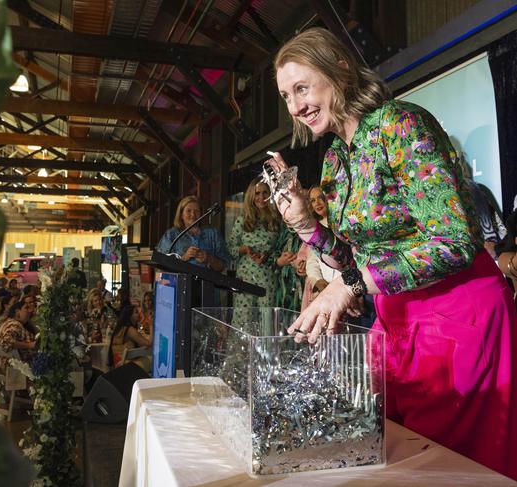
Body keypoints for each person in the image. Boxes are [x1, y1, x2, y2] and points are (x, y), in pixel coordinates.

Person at [269, 27, 517, 479]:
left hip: (460, 320)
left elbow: (455, 240)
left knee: (447, 470)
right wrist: (308, 226)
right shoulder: (335, 159)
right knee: (403, 462)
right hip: (399, 327)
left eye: (302, 87)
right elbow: (356, 260)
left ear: (339, 68)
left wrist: (350, 284)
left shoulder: (400, 124)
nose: (296, 106)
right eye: (287, 95)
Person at [227, 179, 281, 309]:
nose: (261, 197)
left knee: (267, 319)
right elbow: (229, 249)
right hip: (245, 278)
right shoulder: (242, 220)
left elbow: (282, 248)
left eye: (265, 193)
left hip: (268, 277)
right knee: (244, 319)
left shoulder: (277, 220)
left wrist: (268, 255)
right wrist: (244, 249)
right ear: (251, 195)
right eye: (257, 193)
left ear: (270, 194)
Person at [157, 195, 230, 272]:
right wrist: (184, 258)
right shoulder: (171, 235)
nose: (193, 215)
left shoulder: (213, 234)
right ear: (181, 214)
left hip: (208, 283)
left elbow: (224, 266)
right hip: (180, 282)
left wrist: (209, 258)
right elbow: (161, 264)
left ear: (201, 214)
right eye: (188, 211)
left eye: (197, 211)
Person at [108, 304, 152, 372]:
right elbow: (149, 343)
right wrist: (151, 324)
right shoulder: (130, 330)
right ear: (130, 316)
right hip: (126, 365)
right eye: (136, 312)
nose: (139, 314)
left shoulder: (120, 328)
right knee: (153, 360)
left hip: (118, 364)